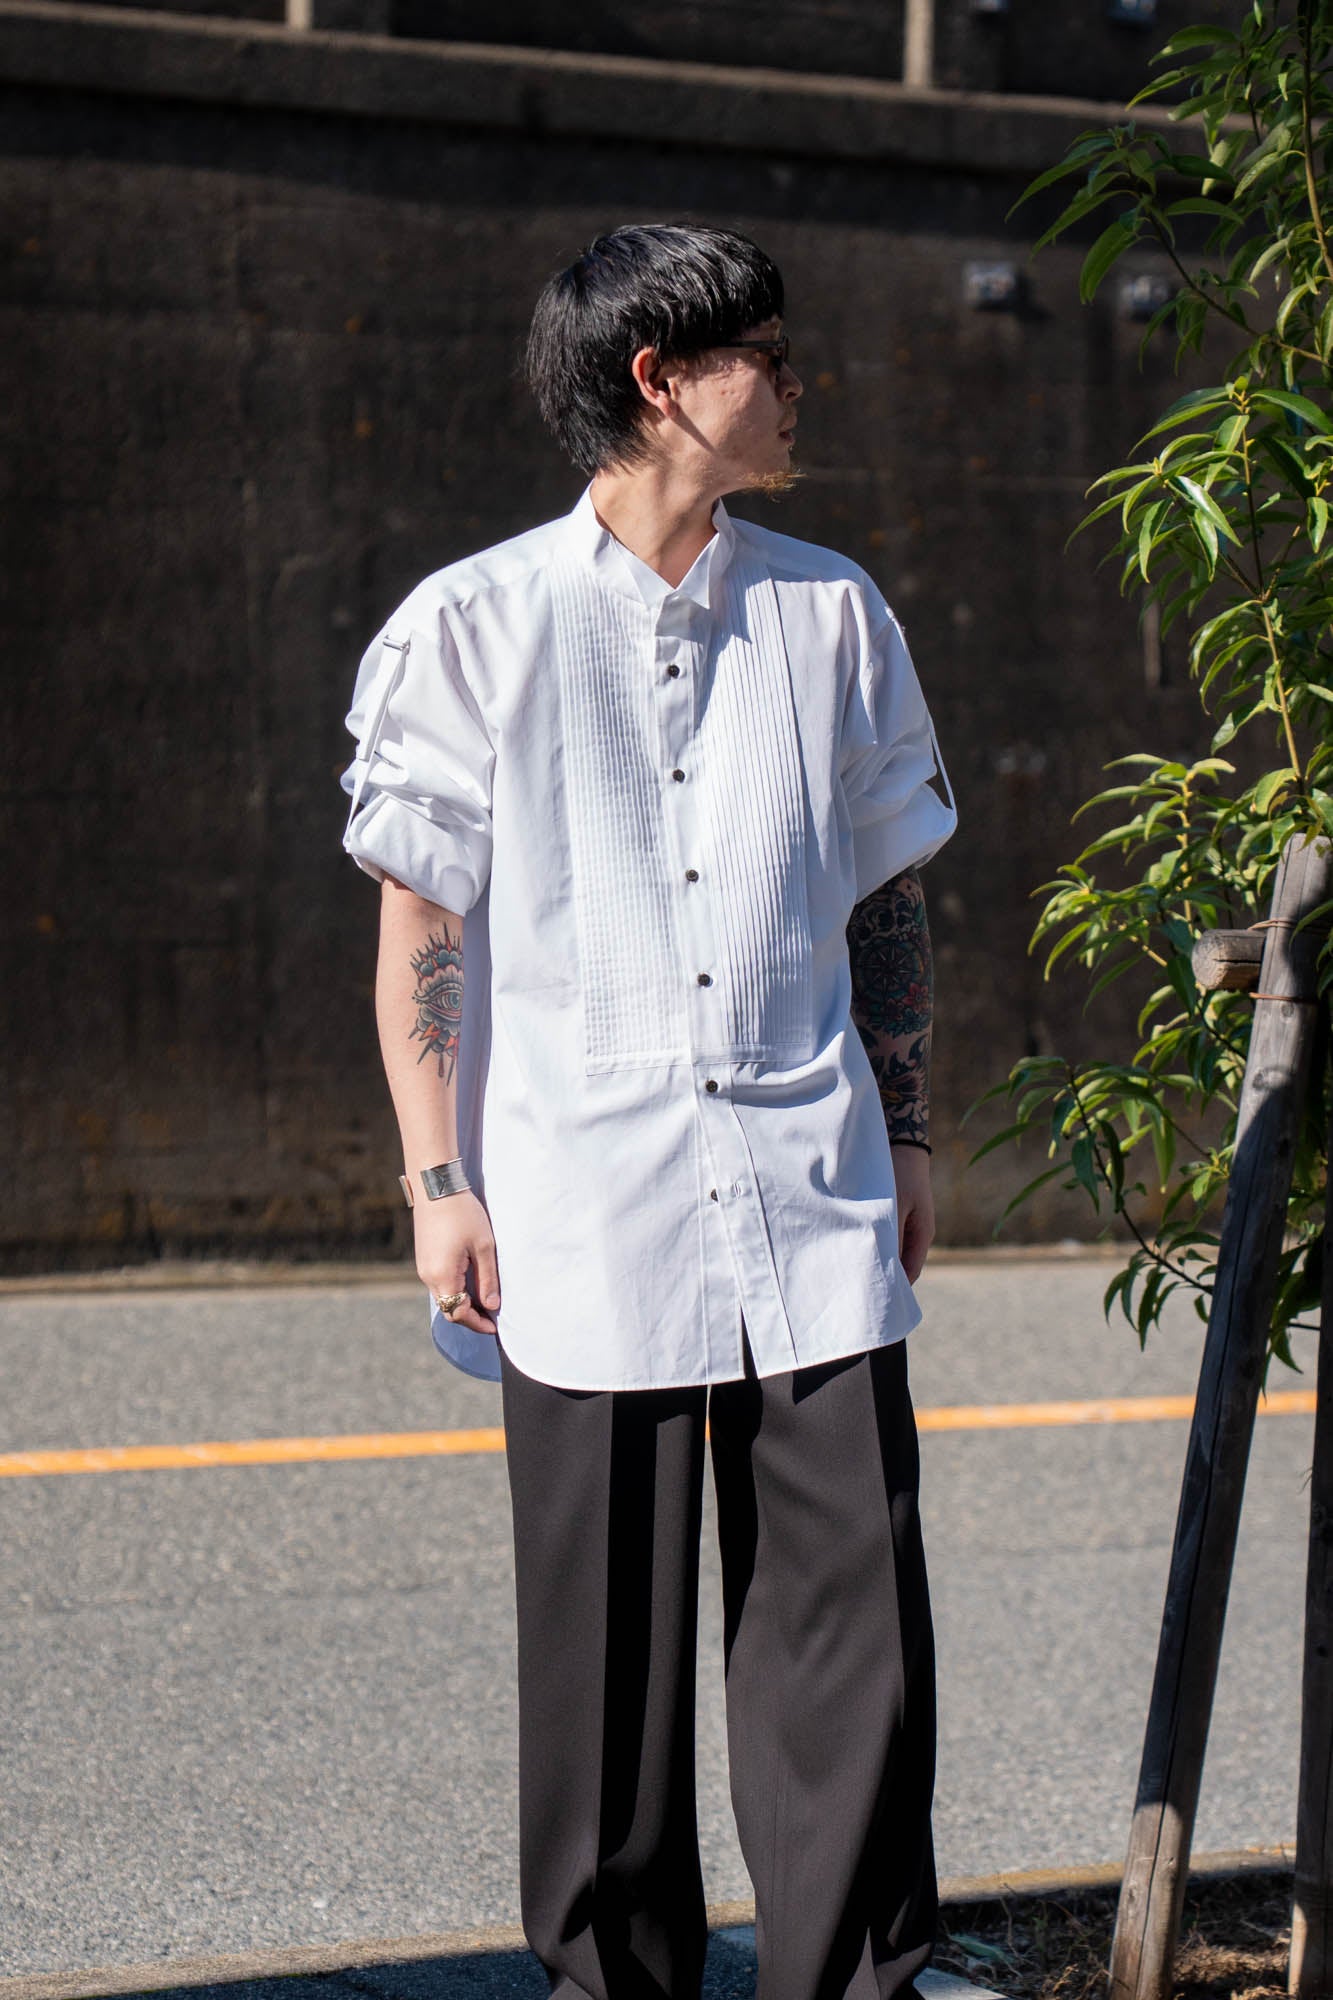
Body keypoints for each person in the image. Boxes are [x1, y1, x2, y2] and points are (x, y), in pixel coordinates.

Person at [340, 221, 957, 2000]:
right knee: (601, 1668)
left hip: (808, 1183)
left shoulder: (832, 614)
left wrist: (909, 1128)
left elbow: (884, 902)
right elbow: (421, 933)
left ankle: (852, 1984)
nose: (797, 381)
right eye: (767, 351)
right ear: (659, 379)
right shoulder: (473, 625)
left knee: (855, 1647)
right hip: (579, 1202)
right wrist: (438, 1181)